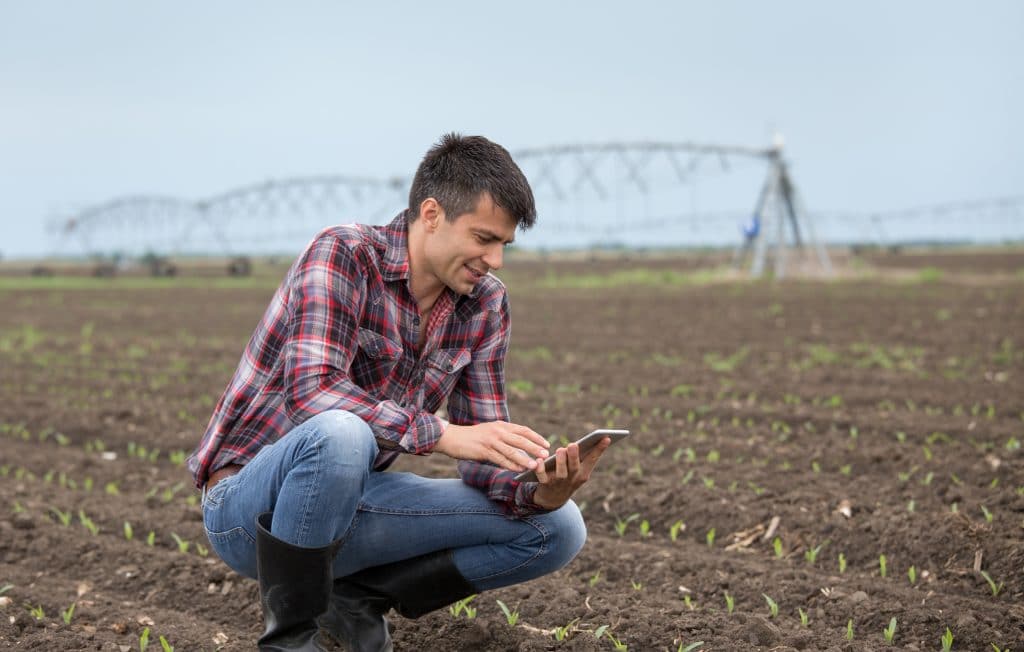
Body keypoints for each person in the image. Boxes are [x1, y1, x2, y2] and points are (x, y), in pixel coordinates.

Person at [187, 133, 612, 652]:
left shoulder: (484, 306)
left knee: (558, 528)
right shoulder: (344, 253)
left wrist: (538, 489)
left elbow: (484, 451)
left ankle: (356, 597)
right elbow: (312, 393)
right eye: (483, 238)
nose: (495, 259)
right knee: (342, 434)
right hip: (251, 511)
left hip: (350, 504)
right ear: (431, 214)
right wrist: (444, 435)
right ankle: (292, 642)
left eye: (504, 244)